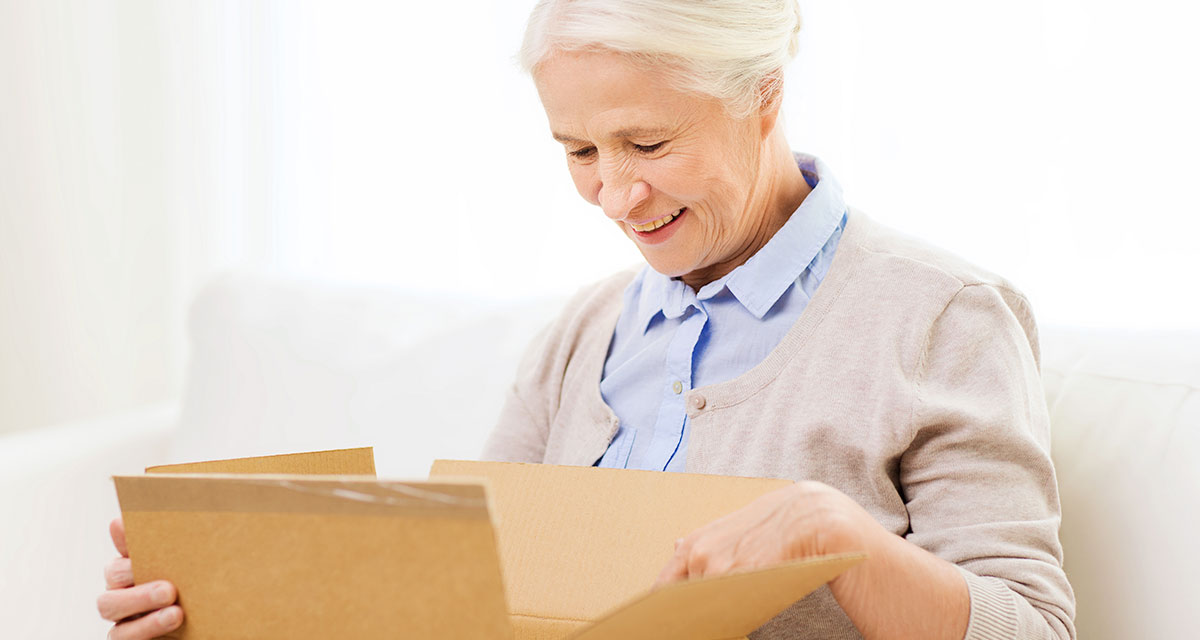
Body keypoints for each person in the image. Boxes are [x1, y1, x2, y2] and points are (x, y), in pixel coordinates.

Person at [98, 1, 1076, 638]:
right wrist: (213, 606)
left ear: (764, 94)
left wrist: (838, 534)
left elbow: (1031, 628)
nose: (615, 191)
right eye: (578, 150)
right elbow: (466, 607)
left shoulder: (941, 318)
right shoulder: (581, 336)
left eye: (647, 141)